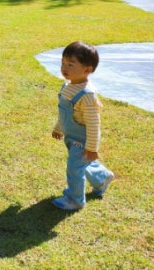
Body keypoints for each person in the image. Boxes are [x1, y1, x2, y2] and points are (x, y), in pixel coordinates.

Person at [51, 41, 114, 210]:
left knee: (75, 168)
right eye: (63, 62)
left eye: (70, 64)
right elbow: (64, 113)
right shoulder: (68, 85)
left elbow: (94, 125)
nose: (65, 67)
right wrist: (58, 128)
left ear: (87, 69)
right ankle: (102, 178)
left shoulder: (87, 95)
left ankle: (76, 200)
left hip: (83, 140)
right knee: (81, 163)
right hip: (71, 136)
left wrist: (92, 147)